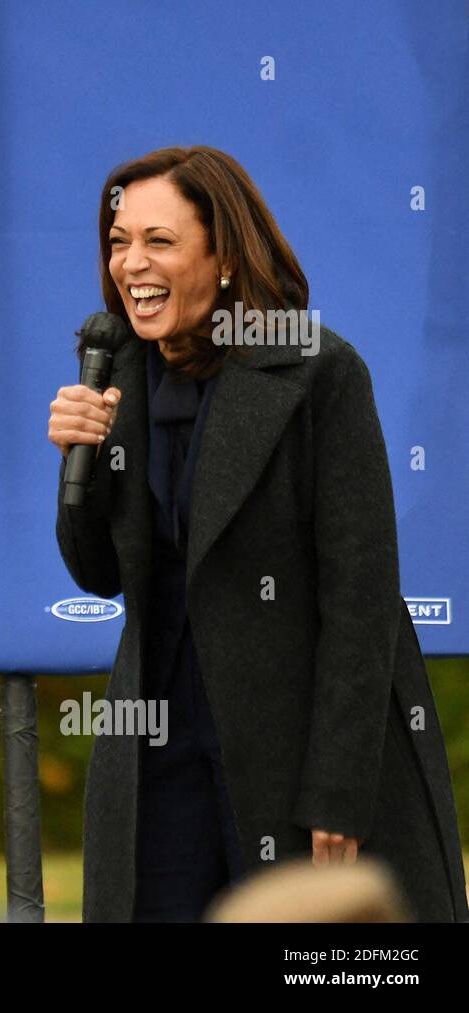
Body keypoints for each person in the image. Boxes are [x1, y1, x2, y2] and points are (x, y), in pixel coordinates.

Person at [47, 145, 468, 922]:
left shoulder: (316, 370)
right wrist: (84, 461)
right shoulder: (120, 375)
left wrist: (338, 789)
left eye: (159, 241)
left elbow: (361, 596)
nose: (130, 264)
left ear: (227, 257)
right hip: (159, 747)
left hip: (293, 748)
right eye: (118, 242)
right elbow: (98, 572)